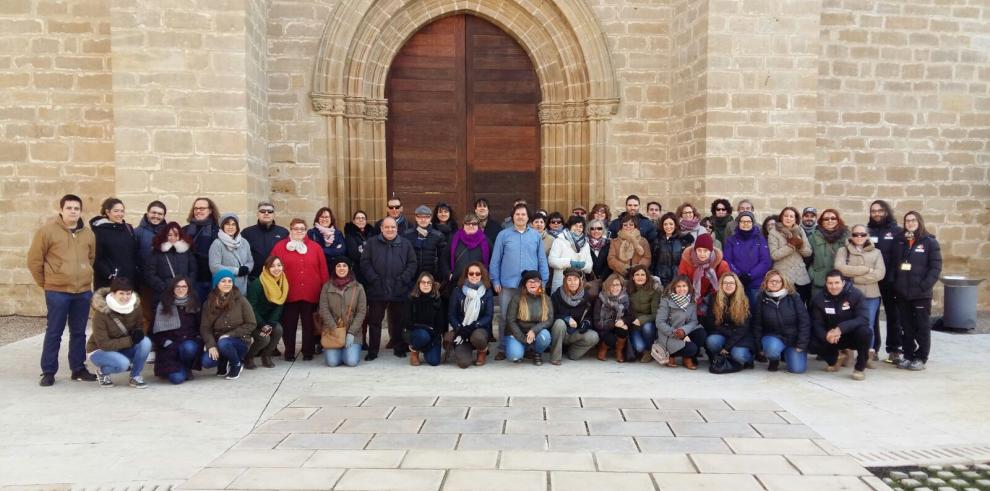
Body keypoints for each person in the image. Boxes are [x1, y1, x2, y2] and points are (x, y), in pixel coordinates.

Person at [27, 194, 97, 386]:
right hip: (57, 291)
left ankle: (78, 368)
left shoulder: (88, 234)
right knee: (54, 331)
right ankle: (48, 371)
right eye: (69, 208)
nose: (73, 211)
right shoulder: (47, 232)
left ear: (80, 211)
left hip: (82, 291)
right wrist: (48, 283)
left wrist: (84, 275)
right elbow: (34, 261)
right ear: (62, 210)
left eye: (76, 208)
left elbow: (90, 258)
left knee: (79, 332)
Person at [489, 204, 550, 359]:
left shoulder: (536, 236)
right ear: (513, 216)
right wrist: (495, 280)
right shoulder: (503, 235)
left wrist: (543, 280)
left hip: (530, 285)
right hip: (507, 284)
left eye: (523, 214)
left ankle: (530, 347)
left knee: (530, 315)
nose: (520, 217)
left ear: (528, 217)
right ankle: (503, 347)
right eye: (517, 214)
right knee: (504, 316)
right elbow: (495, 260)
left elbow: (542, 260)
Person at [271, 218, 329, 361]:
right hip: (288, 293)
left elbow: (323, 270)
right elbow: (271, 267)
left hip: (311, 292)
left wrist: (325, 289)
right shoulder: (280, 246)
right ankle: (289, 352)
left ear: (306, 230)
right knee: (289, 325)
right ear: (291, 229)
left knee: (309, 324)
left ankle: (308, 352)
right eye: (296, 228)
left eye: (302, 229)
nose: (299, 231)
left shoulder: (315, 247)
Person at [361, 216, 418, 360]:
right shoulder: (372, 243)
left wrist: (403, 280)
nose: (390, 229)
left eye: (392, 227)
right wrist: (374, 279)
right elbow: (365, 262)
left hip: (399, 289)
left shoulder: (405, 244)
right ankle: (373, 351)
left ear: (397, 228)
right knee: (374, 322)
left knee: (398, 321)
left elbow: (412, 263)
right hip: (377, 289)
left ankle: (399, 347)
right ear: (381, 228)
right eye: (386, 227)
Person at [891, 211, 942, 371]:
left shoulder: (929, 242)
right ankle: (908, 355)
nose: (910, 223)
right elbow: (894, 265)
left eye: (913, 220)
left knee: (922, 326)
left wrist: (924, 285)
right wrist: (895, 285)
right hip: (902, 293)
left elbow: (936, 267)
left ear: (919, 221)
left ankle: (921, 357)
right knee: (906, 327)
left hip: (920, 294)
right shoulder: (900, 242)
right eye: (907, 220)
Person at [834, 224, 885, 367]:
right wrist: (865, 270)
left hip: (871, 294)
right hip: (849, 295)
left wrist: (855, 278)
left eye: (862, 234)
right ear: (851, 236)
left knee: (868, 325)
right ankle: (848, 353)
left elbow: (879, 273)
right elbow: (840, 268)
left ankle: (866, 355)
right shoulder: (843, 251)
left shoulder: (877, 252)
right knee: (848, 323)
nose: (859, 237)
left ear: (867, 236)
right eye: (856, 234)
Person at [87, 278, 151, 388]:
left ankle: (135, 376)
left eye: (128, 293)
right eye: (121, 293)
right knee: (123, 364)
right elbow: (104, 344)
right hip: (99, 350)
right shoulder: (101, 313)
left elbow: (140, 325)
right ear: (113, 294)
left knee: (146, 342)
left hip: (122, 347)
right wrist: (131, 340)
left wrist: (139, 333)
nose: (125, 297)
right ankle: (103, 372)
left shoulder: (135, 306)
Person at [810, 270, 872, 380]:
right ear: (826, 283)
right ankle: (835, 358)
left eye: (837, 283)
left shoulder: (856, 294)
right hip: (831, 337)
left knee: (866, 332)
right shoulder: (819, 298)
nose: (833, 287)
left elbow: (863, 318)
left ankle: (859, 368)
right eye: (830, 283)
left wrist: (840, 329)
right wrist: (826, 335)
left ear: (843, 283)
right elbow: (816, 322)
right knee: (810, 339)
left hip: (852, 335)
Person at [199, 270, 256, 380]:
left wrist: (230, 334)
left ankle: (237, 364)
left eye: (230, 281)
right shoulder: (209, 303)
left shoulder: (241, 300)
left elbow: (251, 323)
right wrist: (211, 345)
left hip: (239, 340)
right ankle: (223, 361)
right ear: (216, 284)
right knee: (207, 362)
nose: (227, 284)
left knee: (224, 343)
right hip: (218, 340)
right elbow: (205, 328)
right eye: (223, 281)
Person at [751, 270, 810, 373]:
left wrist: (801, 343)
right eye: (771, 281)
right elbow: (757, 325)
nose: (774, 283)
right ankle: (774, 360)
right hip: (773, 336)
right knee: (771, 348)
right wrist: (759, 347)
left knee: (797, 369)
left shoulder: (794, 296)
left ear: (783, 282)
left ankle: (787, 354)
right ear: (766, 283)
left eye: (778, 281)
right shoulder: (761, 298)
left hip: (793, 338)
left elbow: (804, 321)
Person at [867, 200, 903, 364]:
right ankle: (872, 349)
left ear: (886, 212)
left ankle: (894, 349)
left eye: (880, 210)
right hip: (872, 281)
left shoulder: (897, 232)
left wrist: (896, 278)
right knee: (872, 315)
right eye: (873, 211)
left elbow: (900, 257)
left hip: (891, 281)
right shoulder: (867, 231)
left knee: (893, 315)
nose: (876, 213)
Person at [318, 256, 368, 367]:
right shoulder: (327, 287)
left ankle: (347, 351)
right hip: (332, 332)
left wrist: (351, 332)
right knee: (332, 363)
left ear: (349, 268)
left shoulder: (358, 287)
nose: (341, 268)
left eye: (344, 266)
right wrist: (334, 329)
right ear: (334, 269)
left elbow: (361, 311)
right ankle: (337, 351)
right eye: (338, 266)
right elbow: (323, 309)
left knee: (351, 362)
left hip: (352, 333)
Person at [151, 276, 202, 384]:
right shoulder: (163, 305)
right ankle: (174, 369)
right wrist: (167, 343)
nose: (181, 289)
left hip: (188, 344)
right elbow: (155, 332)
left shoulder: (194, 304)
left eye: (184, 286)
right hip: (170, 348)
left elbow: (200, 327)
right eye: (177, 286)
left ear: (188, 288)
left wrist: (196, 339)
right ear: (172, 288)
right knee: (177, 379)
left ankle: (187, 367)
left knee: (189, 347)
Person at [447, 262, 495, 368]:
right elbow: (451, 314)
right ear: (466, 275)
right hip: (462, 329)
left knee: (478, 337)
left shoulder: (487, 292)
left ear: (482, 275)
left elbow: (489, 316)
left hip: (479, 328)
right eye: (471, 273)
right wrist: (459, 327)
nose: (474, 276)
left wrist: (475, 325)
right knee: (463, 364)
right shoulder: (457, 291)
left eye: (477, 274)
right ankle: (463, 347)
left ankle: (482, 350)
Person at [548, 268, 600, 365]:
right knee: (559, 323)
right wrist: (566, 318)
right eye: (569, 279)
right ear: (565, 281)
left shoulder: (586, 295)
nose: (573, 283)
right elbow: (552, 316)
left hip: (576, 332)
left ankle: (572, 353)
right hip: (560, 333)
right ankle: (555, 357)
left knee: (594, 336)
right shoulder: (557, 295)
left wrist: (586, 323)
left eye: (575, 279)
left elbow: (589, 316)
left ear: (580, 281)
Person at [244, 256, 287, 369]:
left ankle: (266, 355)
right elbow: (251, 308)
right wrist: (263, 325)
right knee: (264, 339)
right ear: (266, 268)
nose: (276, 268)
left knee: (278, 329)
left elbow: (279, 305)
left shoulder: (283, 283)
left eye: (279, 265)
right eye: (272, 266)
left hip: (268, 320)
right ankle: (249, 357)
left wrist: (271, 324)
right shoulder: (258, 284)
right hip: (253, 320)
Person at [703, 272, 754, 367]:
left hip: (740, 336)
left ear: (736, 284)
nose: (728, 285)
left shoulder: (745, 299)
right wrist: (728, 331)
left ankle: (749, 359)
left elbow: (744, 327)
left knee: (739, 355)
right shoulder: (714, 298)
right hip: (723, 333)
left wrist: (727, 347)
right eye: (725, 283)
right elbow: (711, 322)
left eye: (731, 283)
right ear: (721, 285)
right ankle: (721, 358)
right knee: (712, 341)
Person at [655, 275, 706, 369]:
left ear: (689, 287)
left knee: (701, 334)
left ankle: (687, 358)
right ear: (674, 287)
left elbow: (693, 321)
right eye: (678, 286)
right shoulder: (666, 300)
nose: (681, 289)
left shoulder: (691, 301)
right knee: (692, 348)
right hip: (669, 334)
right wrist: (676, 333)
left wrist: (683, 331)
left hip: (684, 332)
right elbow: (659, 322)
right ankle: (671, 355)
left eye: (684, 286)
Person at [505, 270, 554, 365]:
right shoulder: (517, 298)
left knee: (545, 336)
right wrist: (523, 339)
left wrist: (534, 330)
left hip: (535, 332)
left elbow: (549, 319)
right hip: (518, 332)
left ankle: (537, 353)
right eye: (530, 281)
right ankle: (523, 348)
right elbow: (511, 321)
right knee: (514, 355)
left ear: (540, 283)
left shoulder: (546, 298)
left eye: (536, 281)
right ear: (525, 284)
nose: (533, 284)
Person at [722, 211, 771, 306]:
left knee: (755, 310)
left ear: (753, 223)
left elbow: (765, 262)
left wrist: (750, 275)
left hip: (755, 283)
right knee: (737, 309)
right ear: (738, 223)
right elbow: (727, 260)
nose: (745, 224)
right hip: (736, 282)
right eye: (742, 221)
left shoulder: (760, 239)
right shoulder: (731, 240)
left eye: (748, 221)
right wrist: (738, 274)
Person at [144, 222, 197, 308]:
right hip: (163, 294)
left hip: (183, 293)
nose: (173, 238)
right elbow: (150, 273)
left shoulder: (187, 252)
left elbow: (193, 271)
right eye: (170, 235)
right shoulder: (157, 252)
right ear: (165, 235)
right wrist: (164, 287)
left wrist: (187, 285)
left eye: (176, 235)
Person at [90, 197, 139, 290]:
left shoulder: (128, 228)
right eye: (116, 211)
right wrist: (110, 275)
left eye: (122, 211)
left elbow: (132, 253)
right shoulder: (99, 231)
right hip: (108, 282)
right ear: (108, 212)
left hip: (128, 280)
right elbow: (96, 258)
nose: (120, 214)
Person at [767, 207, 813, 304]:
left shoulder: (800, 230)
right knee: (785, 306)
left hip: (800, 275)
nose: (788, 218)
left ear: (795, 219)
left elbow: (808, 252)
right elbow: (774, 255)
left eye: (791, 216)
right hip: (783, 275)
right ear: (781, 217)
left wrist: (800, 246)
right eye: (786, 216)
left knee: (801, 304)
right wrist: (791, 246)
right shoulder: (774, 232)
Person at [677, 233, 730, 316]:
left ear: (711, 251)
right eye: (699, 250)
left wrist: (710, 298)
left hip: (713, 301)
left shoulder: (721, 264)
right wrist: (692, 297)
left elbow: (725, 285)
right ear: (695, 250)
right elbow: (681, 282)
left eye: (705, 251)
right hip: (691, 299)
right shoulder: (686, 262)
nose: (702, 254)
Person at [402, 272, 447, 366]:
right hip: (415, 332)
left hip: (433, 334)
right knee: (423, 336)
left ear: (432, 285)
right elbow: (407, 322)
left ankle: (425, 347)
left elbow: (440, 324)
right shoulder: (411, 299)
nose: (425, 285)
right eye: (423, 282)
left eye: (428, 283)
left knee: (434, 361)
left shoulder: (437, 300)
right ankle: (415, 350)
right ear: (418, 284)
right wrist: (427, 328)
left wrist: (432, 341)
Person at [134, 201, 167, 326]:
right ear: (147, 213)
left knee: (163, 314)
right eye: (153, 212)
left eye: (160, 214)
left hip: (164, 281)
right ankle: (148, 343)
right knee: (146, 315)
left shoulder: (169, 233)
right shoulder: (137, 232)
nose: (156, 216)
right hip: (144, 282)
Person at [183, 197, 221, 302]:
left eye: (202, 208)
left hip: (211, 279)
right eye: (196, 208)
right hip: (190, 280)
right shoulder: (184, 230)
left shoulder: (218, 231)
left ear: (210, 210)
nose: (198, 211)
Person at [241, 201, 288, 281]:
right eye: (262, 211)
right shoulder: (247, 232)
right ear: (257, 214)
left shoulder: (283, 232)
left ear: (274, 215)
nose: (266, 213)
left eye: (270, 211)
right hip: (253, 278)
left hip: (276, 278)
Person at [808, 209, 849, 299]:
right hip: (819, 282)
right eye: (826, 219)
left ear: (838, 220)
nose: (830, 221)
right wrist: (812, 274)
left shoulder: (847, 236)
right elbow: (808, 259)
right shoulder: (813, 237)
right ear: (821, 222)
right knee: (817, 309)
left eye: (833, 218)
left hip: (840, 281)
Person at [405, 205, 450, 284]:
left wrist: (439, 279)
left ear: (430, 218)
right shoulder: (407, 235)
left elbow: (443, 260)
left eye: (426, 217)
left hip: (432, 279)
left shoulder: (438, 236)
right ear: (416, 218)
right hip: (411, 279)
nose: (423, 219)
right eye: (420, 217)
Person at [209, 213, 253, 294]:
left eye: (233, 224)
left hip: (243, 285)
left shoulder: (244, 242)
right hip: (225, 286)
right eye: (227, 224)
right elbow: (214, 266)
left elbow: (250, 261)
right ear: (222, 226)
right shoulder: (217, 244)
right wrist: (236, 271)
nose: (231, 227)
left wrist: (247, 268)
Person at [593, 273, 633, 362]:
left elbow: (630, 316)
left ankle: (619, 351)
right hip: (604, 327)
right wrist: (614, 323)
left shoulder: (625, 298)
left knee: (623, 329)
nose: (615, 288)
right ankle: (603, 348)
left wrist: (623, 321)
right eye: (612, 285)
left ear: (622, 286)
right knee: (611, 339)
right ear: (607, 286)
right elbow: (596, 322)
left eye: (617, 285)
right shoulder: (601, 298)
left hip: (618, 327)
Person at [548, 215, 592, 294]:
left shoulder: (585, 244)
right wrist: (569, 263)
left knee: (577, 304)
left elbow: (589, 267)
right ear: (569, 226)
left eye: (580, 226)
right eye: (575, 225)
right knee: (560, 303)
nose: (578, 228)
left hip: (577, 283)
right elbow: (552, 261)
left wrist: (583, 265)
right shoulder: (559, 240)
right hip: (561, 280)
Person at [626, 265, 661, 363]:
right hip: (634, 324)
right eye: (637, 275)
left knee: (647, 328)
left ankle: (649, 350)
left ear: (647, 277)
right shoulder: (628, 289)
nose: (640, 277)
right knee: (639, 347)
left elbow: (655, 314)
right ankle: (641, 349)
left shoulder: (654, 291)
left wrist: (641, 320)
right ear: (632, 277)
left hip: (648, 323)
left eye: (642, 275)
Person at [652, 212, 694, 287]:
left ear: (675, 225)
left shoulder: (683, 241)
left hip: (677, 278)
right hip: (660, 278)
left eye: (671, 224)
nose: (668, 227)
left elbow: (687, 261)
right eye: (665, 224)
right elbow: (654, 261)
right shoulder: (657, 240)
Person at [449, 212, 491, 284]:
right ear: (463, 225)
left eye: (474, 224)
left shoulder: (485, 241)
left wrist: (487, 276)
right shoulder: (454, 239)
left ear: (478, 225)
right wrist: (449, 275)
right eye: (467, 223)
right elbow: (444, 259)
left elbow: (493, 260)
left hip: (478, 282)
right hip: (457, 282)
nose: (471, 225)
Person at [308, 206, 347, 275]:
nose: (324, 219)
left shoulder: (338, 233)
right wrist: (334, 250)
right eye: (322, 217)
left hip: (335, 269)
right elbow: (313, 251)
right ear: (318, 219)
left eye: (327, 217)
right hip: (318, 267)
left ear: (331, 219)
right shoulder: (312, 233)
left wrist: (322, 250)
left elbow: (342, 250)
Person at [344, 210, 374, 284]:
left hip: (372, 270)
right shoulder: (350, 235)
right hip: (358, 270)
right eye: (358, 218)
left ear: (366, 221)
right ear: (354, 221)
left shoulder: (372, 233)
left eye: (363, 218)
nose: (361, 220)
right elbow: (354, 254)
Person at [586, 219, 612, 285]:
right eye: (593, 229)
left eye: (599, 228)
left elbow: (610, 263)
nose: (596, 231)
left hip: (606, 280)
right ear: (589, 230)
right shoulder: (584, 244)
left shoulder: (609, 243)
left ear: (603, 230)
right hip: (588, 281)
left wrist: (602, 278)